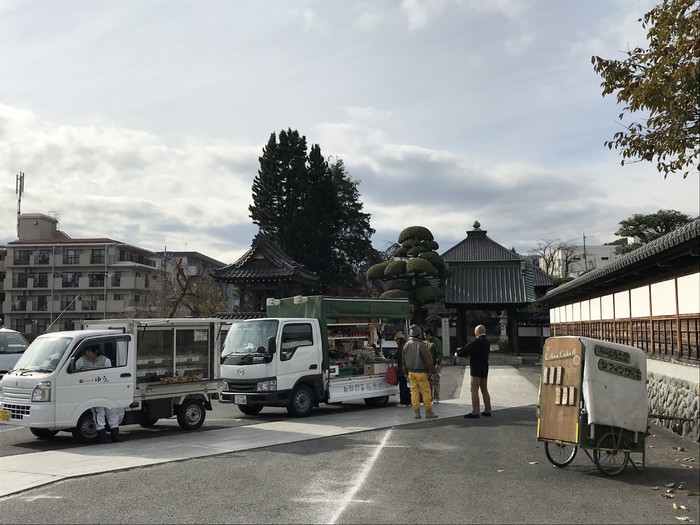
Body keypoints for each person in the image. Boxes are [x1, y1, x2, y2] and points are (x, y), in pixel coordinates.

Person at [75, 344, 123, 443]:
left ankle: (115, 436)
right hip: (92, 391)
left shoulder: (106, 361)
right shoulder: (81, 361)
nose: (86, 353)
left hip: (106, 390)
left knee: (111, 412)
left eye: (88, 351)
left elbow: (109, 375)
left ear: (95, 351)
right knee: (98, 413)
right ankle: (102, 436)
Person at [455, 324, 492, 418]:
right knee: (484, 389)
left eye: (475, 331)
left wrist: (457, 353)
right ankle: (488, 410)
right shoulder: (487, 342)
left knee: (474, 389)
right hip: (484, 367)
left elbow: (467, 349)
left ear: (478, 332)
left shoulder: (477, 341)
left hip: (476, 367)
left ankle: (475, 411)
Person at [402, 324, 438, 419]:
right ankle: (429, 411)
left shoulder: (406, 345)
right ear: (419, 334)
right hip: (421, 372)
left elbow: (403, 360)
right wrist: (433, 371)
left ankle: (417, 412)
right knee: (425, 391)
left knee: (414, 392)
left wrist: (405, 372)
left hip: (411, 372)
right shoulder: (421, 345)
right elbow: (428, 360)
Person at [423, 328, 443, 403]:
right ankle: (430, 397)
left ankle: (436, 397)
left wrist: (438, 364)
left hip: (435, 364)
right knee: (429, 382)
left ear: (429, 334)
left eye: (425, 335)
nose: (424, 337)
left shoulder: (436, 342)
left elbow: (440, 353)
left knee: (435, 381)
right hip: (429, 364)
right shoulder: (427, 342)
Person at [393, 331, 411, 407]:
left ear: (399, 339)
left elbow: (398, 356)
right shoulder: (407, 344)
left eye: (396, 340)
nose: (396, 342)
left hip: (402, 369)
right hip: (408, 369)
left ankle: (403, 402)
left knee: (402, 386)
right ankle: (408, 401)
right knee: (407, 387)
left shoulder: (401, 346)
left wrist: (393, 355)